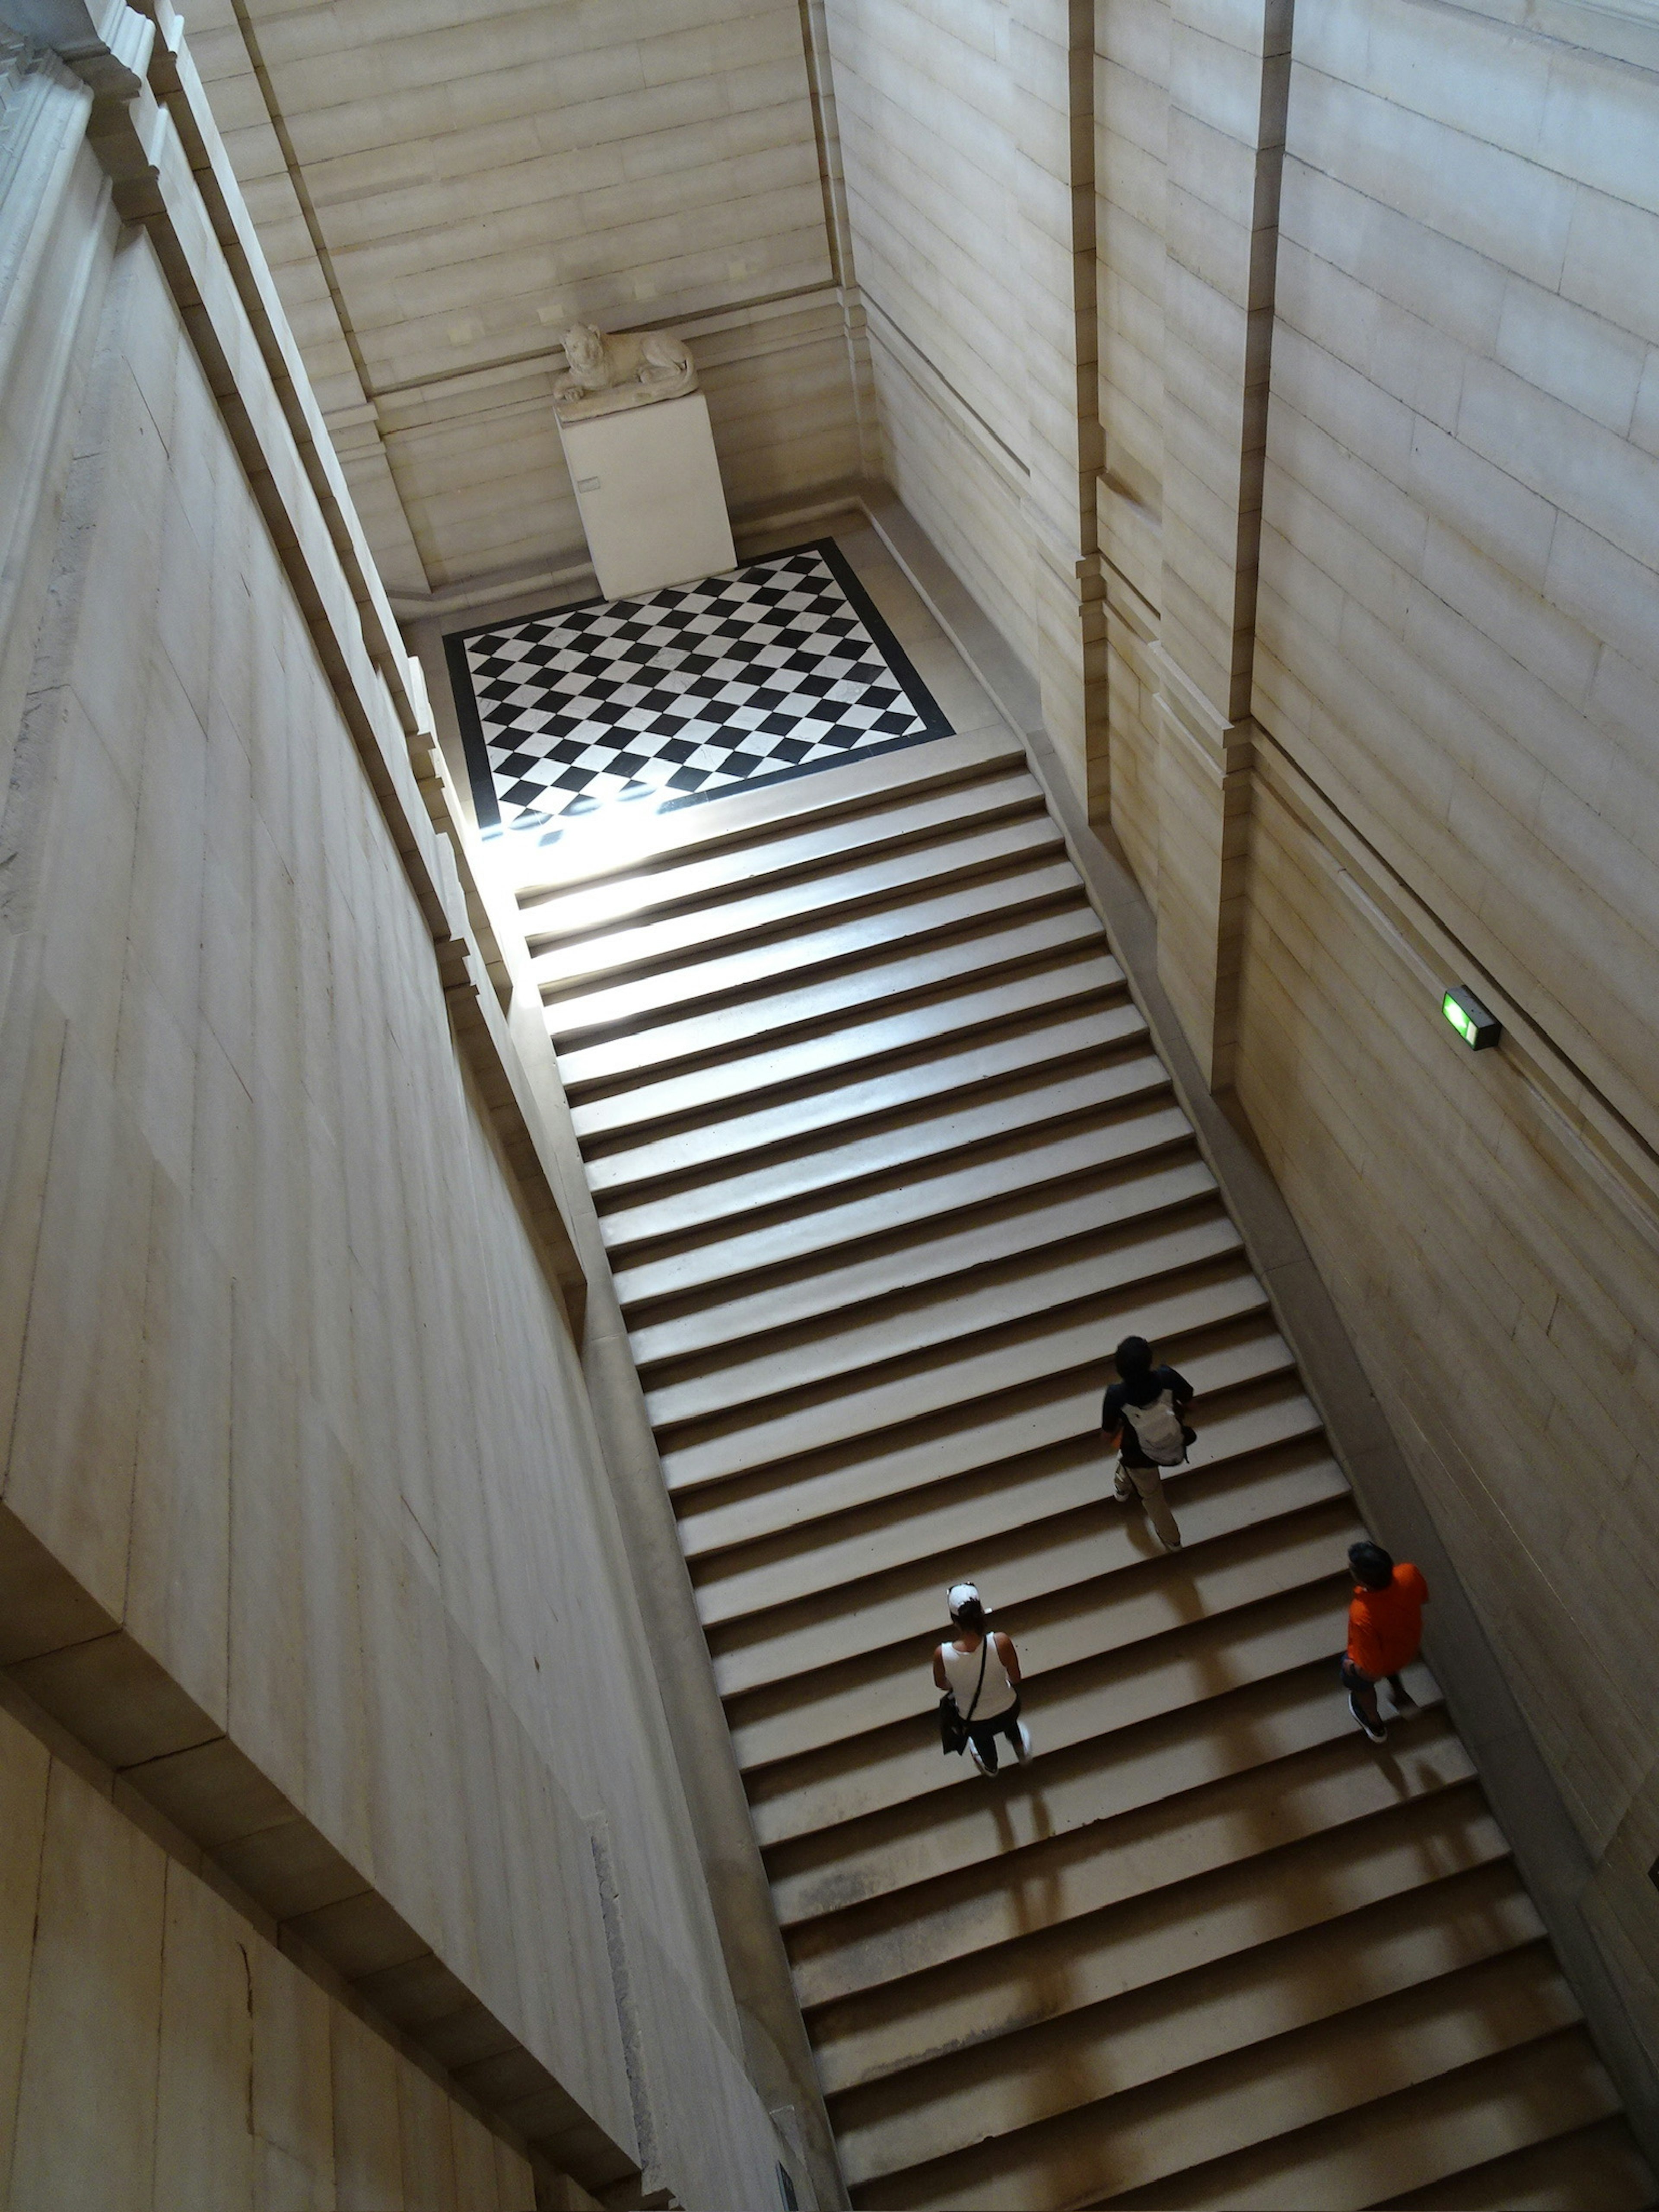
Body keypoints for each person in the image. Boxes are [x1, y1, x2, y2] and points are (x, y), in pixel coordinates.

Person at [1101, 1335, 1195, 1551]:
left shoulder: (1116, 1395)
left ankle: (1172, 1539)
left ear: (1119, 1368)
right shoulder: (1167, 1376)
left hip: (1138, 1455)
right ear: (1149, 1360)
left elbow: (1107, 1436)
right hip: (1172, 1442)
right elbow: (1191, 1403)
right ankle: (1172, 1542)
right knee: (1131, 1464)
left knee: (1152, 1495)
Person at [933, 1582, 1032, 1776]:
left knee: (982, 1741)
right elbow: (1016, 1678)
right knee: (1011, 1726)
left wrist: (961, 1681)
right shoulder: (1001, 1642)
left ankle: (991, 1766)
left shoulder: (942, 1654)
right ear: (981, 1612)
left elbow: (942, 1684)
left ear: (954, 1621)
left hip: (975, 1721)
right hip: (1008, 1709)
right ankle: (1021, 1750)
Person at [1342, 1541, 1427, 1744]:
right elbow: (1422, 1597)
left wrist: (1352, 1669)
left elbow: (1370, 1669)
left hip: (1382, 1658)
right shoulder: (1409, 1572)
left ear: (1362, 1580)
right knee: (1389, 1656)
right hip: (1406, 1646)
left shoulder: (1362, 1614)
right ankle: (1400, 1696)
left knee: (1358, 1681)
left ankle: (1375, 1724)